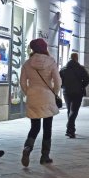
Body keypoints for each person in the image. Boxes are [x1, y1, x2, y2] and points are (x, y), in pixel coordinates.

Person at [20, 38, 61, 167]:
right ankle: (45, 156)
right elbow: (58, 81)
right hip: (47, 97)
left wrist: (29, 93)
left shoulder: (27, 63)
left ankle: (28, 147)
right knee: (47, 128)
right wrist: (54, 92)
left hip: (33, 97)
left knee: (35, 126)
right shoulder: (51, 62)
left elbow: (22, 82)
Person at [59, 52, 89, 138]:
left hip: (67, 92)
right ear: (76, 58)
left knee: (69, 110)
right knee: (74, 111)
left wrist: (63, 86)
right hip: (78, 92)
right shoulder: (81, 69)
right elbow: (87, 79)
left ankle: (71, 129)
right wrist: (82, 86)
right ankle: (70, 129)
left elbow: (59, 80)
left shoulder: (63, 69)